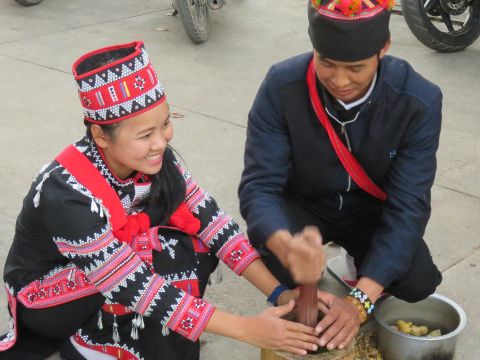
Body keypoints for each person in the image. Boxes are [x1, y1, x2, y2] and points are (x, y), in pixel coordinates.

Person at [0, 40, 322, 360]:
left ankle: (137, 337)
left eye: (165, 124)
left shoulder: (156, 160)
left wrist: (279, 293)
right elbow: (135, 284)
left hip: (108, 274)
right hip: (46, 298)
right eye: (144, 135)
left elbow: (214, 223)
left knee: (192, 243)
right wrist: (246, 329)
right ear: (100, 135)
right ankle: (92, 343)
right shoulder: (66, 195)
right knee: (160, 256)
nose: (160, 142)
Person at [238, 0, 443, 352]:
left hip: (368, 212)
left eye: (356, 67)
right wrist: (286, 245)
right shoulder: (281, 86)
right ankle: (311, 258)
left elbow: (409, 207)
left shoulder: (418, 101)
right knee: (272, 258)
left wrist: (359, 300)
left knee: (417, 280)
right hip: (304, 206)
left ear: (384, 49)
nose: (339, 80)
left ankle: (356, 268)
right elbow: (260, 186)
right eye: (326, 62)